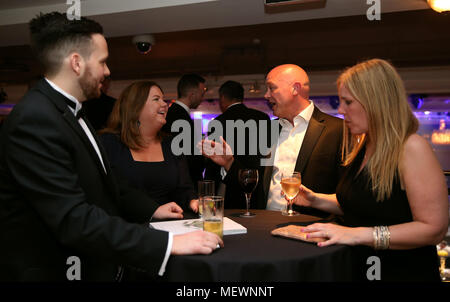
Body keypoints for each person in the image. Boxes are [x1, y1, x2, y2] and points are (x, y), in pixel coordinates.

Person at [0, 12, 222, 282]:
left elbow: (107, 185)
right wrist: (165, 243)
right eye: (103, 62)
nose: (107, 72)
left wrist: (151, 209)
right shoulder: (35, 119)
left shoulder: (67, 113)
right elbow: (73, 218)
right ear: (76, 63)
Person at [293, 59, 448, 281]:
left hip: (401, 273)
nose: (340, 110)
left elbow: (434, 229)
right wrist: (315, 199)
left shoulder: (411, 147)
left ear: (375, 102)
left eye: (348, 102)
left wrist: (357, 235)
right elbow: (367, 205)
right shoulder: (365, 145)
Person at [201, 64, 343, 217]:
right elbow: (251, 183)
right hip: (265, 227)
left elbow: (346, 195)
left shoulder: (336, 130)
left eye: (271, 88)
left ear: (295, 89)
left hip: (311, 230)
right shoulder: (265, 130)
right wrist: (229, 163)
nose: (266, 95)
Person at [99, 81, 199, 214]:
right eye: (156, 99)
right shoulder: (109, 143)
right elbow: (113, 192)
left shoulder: (171, 144)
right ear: (136, 106)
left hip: (170, 228)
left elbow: (184, 188)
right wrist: (153, 211)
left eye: (163, 99)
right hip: (126, 229)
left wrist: (192, 201)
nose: (165, 104)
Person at [204, 80, 271, 209]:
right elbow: (268, 154)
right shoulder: (262, 117)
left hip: (229, 185)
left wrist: (209, 193)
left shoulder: (218, 122)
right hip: (257, 184)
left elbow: (213, 161)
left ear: (222, 98)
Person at [162, 74, 207, 186]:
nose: (202, 99)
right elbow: (189, 157)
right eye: (201, 95)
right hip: (185, 183)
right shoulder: (179, 116)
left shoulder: (174, 113)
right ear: (192, 95)